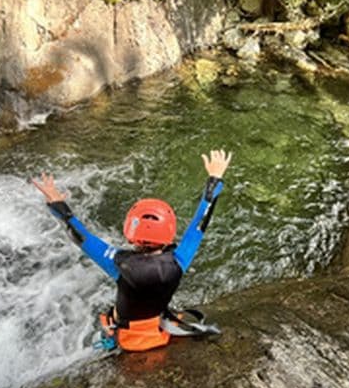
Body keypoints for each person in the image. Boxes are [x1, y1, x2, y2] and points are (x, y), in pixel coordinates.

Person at [32, 149, 232, 351]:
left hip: (126, 339)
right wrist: (214, 180)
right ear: (170, 230)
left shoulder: (118, 262)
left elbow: (79, 235)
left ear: (131, 231)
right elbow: (200, 224)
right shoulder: (179, 260)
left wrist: (57, 204)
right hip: (159, 331)